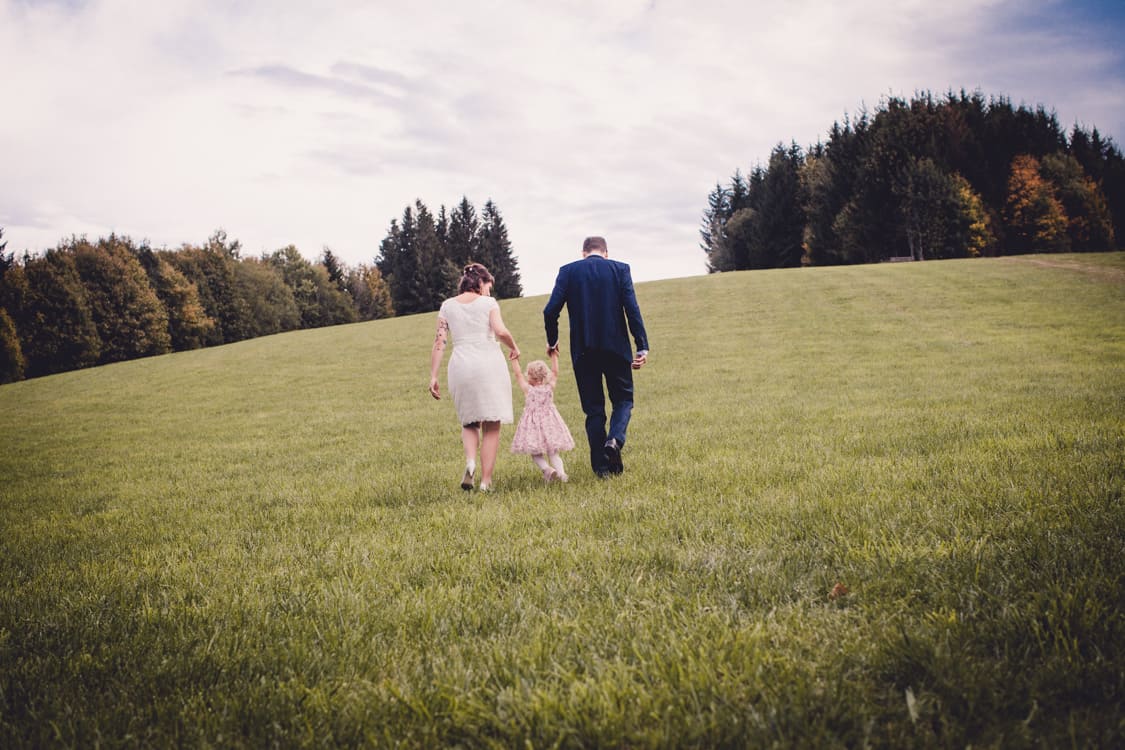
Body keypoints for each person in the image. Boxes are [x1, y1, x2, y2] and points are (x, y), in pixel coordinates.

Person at [543, 236, 648, 477]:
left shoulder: (568, 272)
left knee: (594, 410)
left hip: (583, 350)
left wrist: (552, 340)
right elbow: (632, 309)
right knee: (623, 400)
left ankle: (602, 469)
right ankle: (615, 441)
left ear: (583, 253)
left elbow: (550, 310)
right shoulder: (619, 269)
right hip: (616, 348)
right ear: (606, 253)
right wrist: (641, 345)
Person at [430, 263, 520, 491]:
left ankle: (470, 462)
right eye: (488, 286)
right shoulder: (488, 303)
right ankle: (485, 481)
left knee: (469, 421)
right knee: (492, 424)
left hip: (460, 366)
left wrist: (433, 375)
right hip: (488, 364)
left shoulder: (447, 306)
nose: (490, 292)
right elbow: (500, 331)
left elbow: (440, 342)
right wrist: (514, 346)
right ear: (480, 283)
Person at [509, 349, 575, 483]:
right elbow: (555, 372)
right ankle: (562, 474)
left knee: (536, 453)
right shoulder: (549, 387)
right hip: (550, 424)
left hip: (533, 426)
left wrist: (514, 360)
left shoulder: (529, 390)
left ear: (531, 377)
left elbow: (517, 375)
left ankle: (547, 470)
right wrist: (554, 355)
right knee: (553, 453)